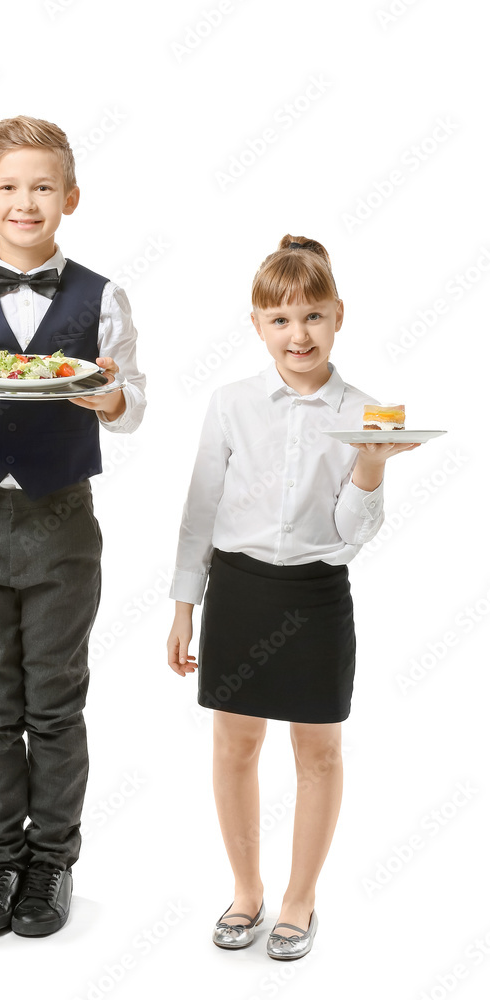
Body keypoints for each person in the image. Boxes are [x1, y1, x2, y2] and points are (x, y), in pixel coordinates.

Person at [0, 115, 146, 938]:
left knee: (53, 701)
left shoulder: (102, 295)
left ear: (70, 197)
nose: (26, 200)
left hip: (62, 521)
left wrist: (109, 395)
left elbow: (130, 405)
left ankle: (51, 868)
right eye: (9, 186)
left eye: (43, 185)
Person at [166, 235, 419, 960]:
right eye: (280, 320)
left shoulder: (367, 413)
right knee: (234, 743)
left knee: (318, 751)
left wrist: (370, 467)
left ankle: (299, 900)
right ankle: (246, 890)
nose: (297, 334)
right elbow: (199, 511)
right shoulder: (230, 404)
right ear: (256, 326)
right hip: (238, 589)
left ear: (337, 316)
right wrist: (184, 606)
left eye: (312, 316)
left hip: (314, 595)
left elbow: (348, 537)